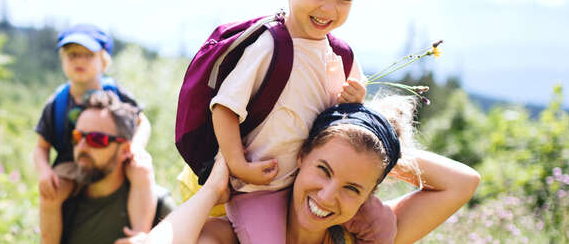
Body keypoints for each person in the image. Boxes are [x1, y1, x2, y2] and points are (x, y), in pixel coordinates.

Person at [198, 0, 379, 243]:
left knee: (382, 228)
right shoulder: (270, 46)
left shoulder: (340, 54)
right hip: (260, 187)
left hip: (310, 185)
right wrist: (239, 165)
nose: (328, 8)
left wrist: (356, 99)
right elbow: (224, 107)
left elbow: (347, 119)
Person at [144, 95, 481, 244]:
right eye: (324, 169)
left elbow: (464, 182)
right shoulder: (226, 237)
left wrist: (382, 153)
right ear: (301, 155)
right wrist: (215, 187)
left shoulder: (358, 238)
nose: (328, 195)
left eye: (353, 188)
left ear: (369, 195)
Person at [33, 24, 157, 244]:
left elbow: (142, 122)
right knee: (50, 194)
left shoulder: (115, 93)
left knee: (142, 169)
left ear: (104, 61)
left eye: (88, 55)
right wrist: (44, 171)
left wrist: (136, 147)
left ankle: (138, 235)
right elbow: (41, 146)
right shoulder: (57, 103)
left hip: (114, 157)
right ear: (62, 60)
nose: (79, 61)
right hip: (71, 164)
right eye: (72, 55)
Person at [46, 91, 176, 244]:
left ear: (126, 150)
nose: (82, 147)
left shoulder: (159, 207)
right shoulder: (62, 202)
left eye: (96, 139)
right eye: (77, 137)